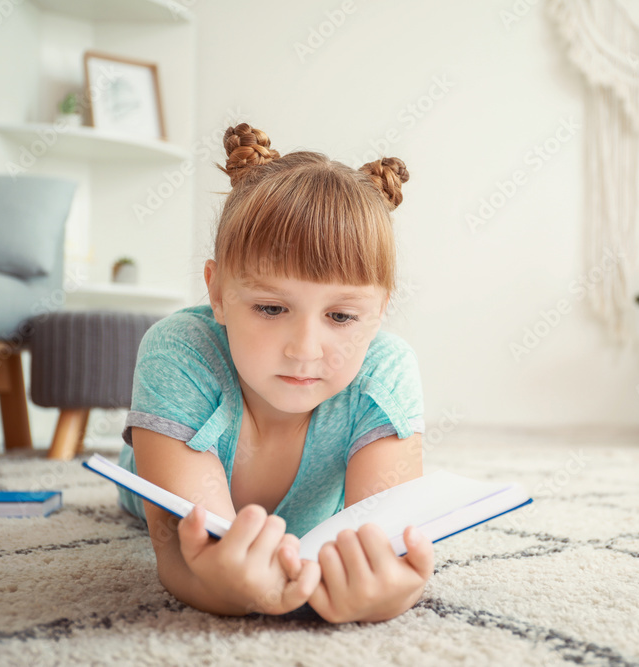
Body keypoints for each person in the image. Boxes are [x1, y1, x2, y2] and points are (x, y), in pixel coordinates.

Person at [115, 122, 433, 623]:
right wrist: (224, 590)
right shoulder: (179, 350)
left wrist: (390, 592)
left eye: (342, 317)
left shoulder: (385, 371)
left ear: (379, 312)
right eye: (269, 308)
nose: (305, 351)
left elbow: (388, 543)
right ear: (217, 292)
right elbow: (179, 553)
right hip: (150, 479)